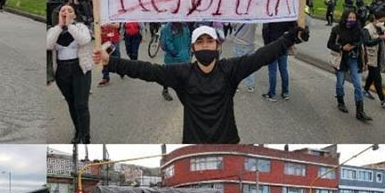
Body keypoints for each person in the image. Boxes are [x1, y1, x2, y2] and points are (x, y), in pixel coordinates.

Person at [93, 25, 309, 143]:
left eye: (210, 41)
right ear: (193, 48)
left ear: (217, 46)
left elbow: (262, 56)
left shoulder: (230, 69)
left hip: (228, 142)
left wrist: (291, 38)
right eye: (200, 41)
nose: (205, 45)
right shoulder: (181, 73)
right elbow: (146, 70)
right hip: (194, 143)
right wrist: (110, 62)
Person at [47, 4, 92, 144]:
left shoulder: (80, 28)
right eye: (63, 11)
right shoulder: (54, 30)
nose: (66, 12)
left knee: (81, 104)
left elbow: (83, 40)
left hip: (80, 68)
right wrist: (60, 25)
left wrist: (70, 25)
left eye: (70, 10)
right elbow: (48, 45)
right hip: (62, 71)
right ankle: (78, 131)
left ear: (75, 15)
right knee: (71, 103)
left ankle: (85, 135)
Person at [327, 10, 372, 122]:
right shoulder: (337, 29)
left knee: (358, 84)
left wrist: (353, 46)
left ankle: (360, 111)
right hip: (341, 59)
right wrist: (342, 48)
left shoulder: (358, 28)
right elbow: (330, 44)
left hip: (354, 59)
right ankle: (340, 102)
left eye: (354, 18)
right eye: (349, 17)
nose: (352, 19)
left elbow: (362, 41)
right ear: (345, 18)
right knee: (340, 83)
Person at [261, 21, 296, 101]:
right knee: (283, 69)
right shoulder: (287, 13)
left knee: (272, 70)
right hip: (284, 44)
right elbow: (294, 27)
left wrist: (266, 45)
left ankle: (272, 94)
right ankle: (285, 92)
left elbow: (265, 30)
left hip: (272, 45)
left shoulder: (271, 12)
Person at [159, 22, 192, 101]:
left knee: (184, 74)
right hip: (173, 57)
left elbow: (188, 39)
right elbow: (166, 42)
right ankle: (165, 90)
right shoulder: (168, 27)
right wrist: (174, 52)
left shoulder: (185, 26)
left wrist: (189, 50)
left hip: (185, 56)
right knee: (168, 75)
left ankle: (184, 91)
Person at [361, 6, 385, 108]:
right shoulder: (366, 29)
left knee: (372, 75)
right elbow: (367, 43)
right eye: (382, 21)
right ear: (375, 19)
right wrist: (380, 38)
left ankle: (365, 90)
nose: (383, 23)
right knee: (377, 78)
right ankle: (383, 100)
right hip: (370, 58)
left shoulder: (381, 28)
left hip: (379, 57)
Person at [230, 23, 258, 93]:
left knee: (237, 66)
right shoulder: (253, 19)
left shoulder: (238, 18)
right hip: (250, 45)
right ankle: (250, 86)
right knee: (250, 66)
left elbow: (231, 25)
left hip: (238, 44)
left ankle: (236, 86)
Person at [98, 22, 122, 86]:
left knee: (117, 57)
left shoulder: (112, 15)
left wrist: (108, 24)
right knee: (104, 58)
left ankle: (121, 70)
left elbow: (117, 25)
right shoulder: (99, 17)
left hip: (114, 40)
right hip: (104, 41)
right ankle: (105, 77)